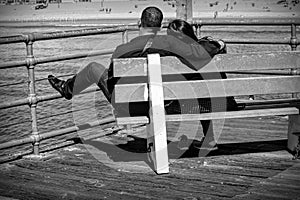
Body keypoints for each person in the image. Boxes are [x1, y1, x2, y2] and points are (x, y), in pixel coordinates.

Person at [48, 6, 212, 112]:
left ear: (138, 23)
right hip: (164, 103)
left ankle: (67, 88)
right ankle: (66, 88)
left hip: (131, 107)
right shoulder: (169, 43)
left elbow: (112, 80)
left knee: (93, 68)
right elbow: (199, 54)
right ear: (160, 27)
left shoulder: (122, 50)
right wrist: (217, 44)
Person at [167, 19, 238, 150]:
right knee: (203, 94)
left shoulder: (173, 53)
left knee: (166, 105)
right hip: (223, 102)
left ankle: (158, 143)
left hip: (188, 106)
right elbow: (216, 46)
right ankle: (209, 139)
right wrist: (220, 43)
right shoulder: (206, 47)